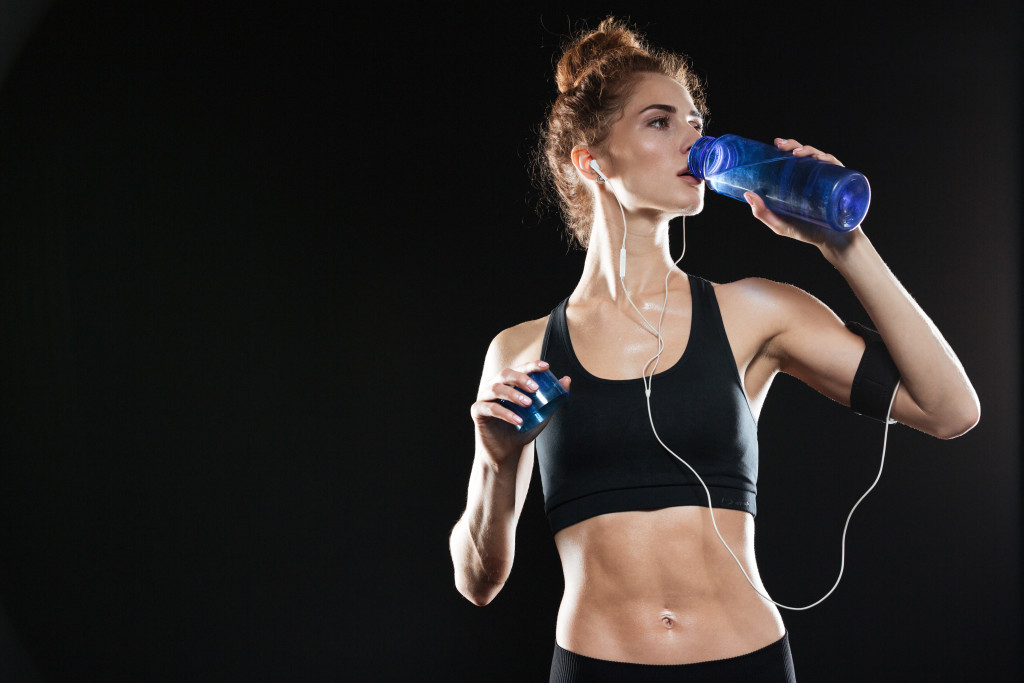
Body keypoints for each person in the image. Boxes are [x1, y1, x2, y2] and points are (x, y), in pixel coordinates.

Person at [448, 16, 979, 682]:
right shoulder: (523, 351)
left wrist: (843, 242)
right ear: (594, 162)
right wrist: (498, 463)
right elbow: (478, 580)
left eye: (696, 121)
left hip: (749, 664)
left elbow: (950, 408)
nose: (695, 138)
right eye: (661, 121)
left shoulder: (753, 313)